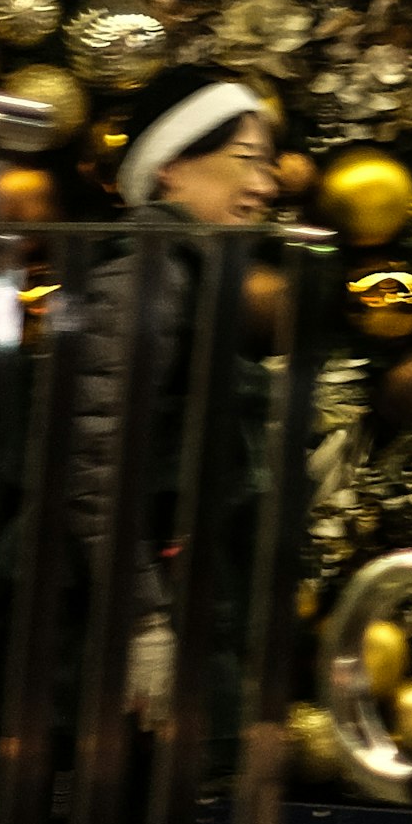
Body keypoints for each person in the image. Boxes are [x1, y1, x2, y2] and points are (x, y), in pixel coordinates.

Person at [72, 67, 282, 717]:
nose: (263, 185)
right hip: (88, 630)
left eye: (267, 165)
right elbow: (95, 464)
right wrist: (144, 621)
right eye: (245, 160)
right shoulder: (145, 275)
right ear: (171, 166)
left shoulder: (196, 273)